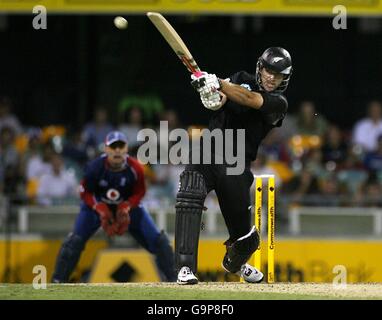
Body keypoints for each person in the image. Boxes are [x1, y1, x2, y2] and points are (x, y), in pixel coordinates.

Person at [175, 47, 293, 284]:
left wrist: (217, 82)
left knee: (247, 240)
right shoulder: (241, 78)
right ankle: (185, 268)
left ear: (285, 78)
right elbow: (222, 100)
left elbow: (249, 99)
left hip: (237, 164)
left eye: (277, 74)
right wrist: (211, 95)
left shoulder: (279, 104)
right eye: (269, 71)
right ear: (260, 68)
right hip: (209, 151)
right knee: (190, 195)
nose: (271, 77)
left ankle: (235, 264)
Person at [52, 131, 176, 283]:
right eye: (113, 146)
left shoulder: (136, 168)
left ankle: (174, 279)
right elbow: (85, 192)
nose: (117, 150)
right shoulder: (94, 167)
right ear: (106, 149)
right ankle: (58, 281)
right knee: (74, 242)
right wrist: (98, 207)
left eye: (120, 146)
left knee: (159, 241)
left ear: (126, 150)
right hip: (96, 208)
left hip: (127, 208)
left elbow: (140, 192)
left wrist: (128, 205)